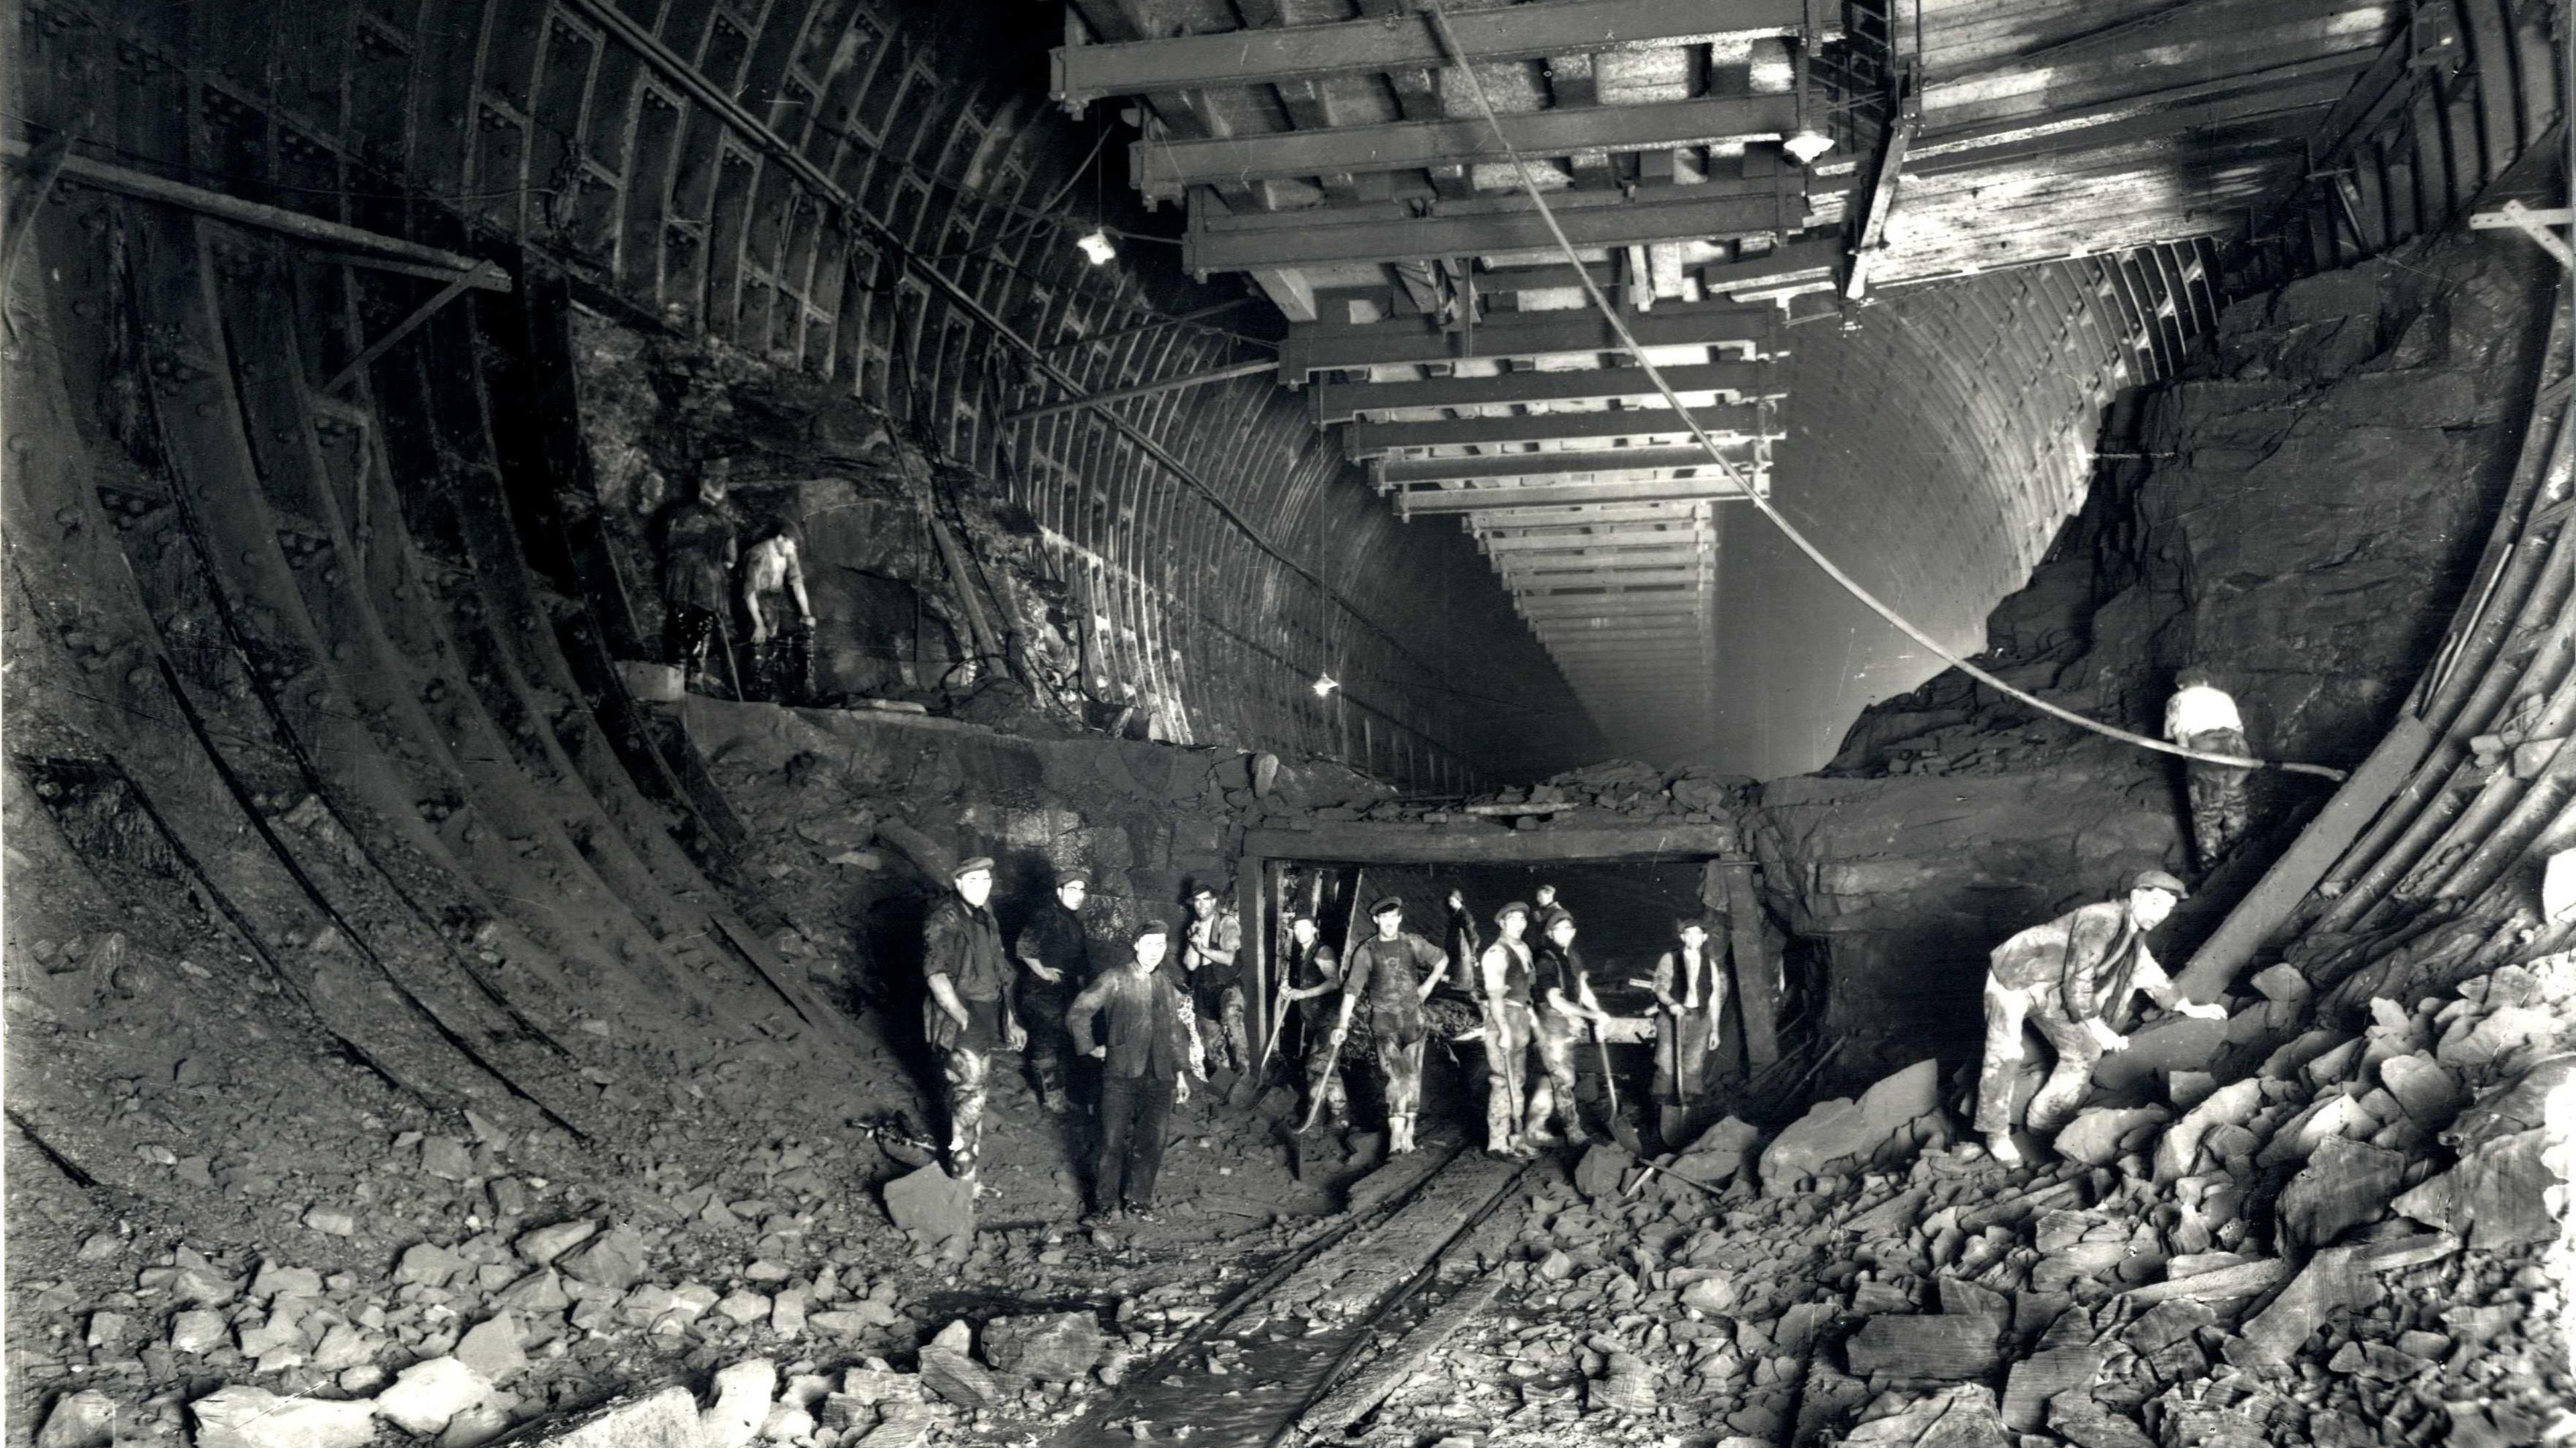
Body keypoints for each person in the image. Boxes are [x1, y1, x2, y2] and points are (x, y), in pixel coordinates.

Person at [1974, 869, 2227, 1165]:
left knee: (2084, 1050)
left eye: (2168, 909)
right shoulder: (2102, 919)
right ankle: (1996, 1135)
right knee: (2005, 1053)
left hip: (2052, 988)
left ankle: (2045, 1120)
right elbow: (2079, 979)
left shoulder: (2132, 933)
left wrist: (2185, 1005)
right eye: (2156, 903)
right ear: (2135, 896)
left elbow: (2146, 969)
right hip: (2014, 979)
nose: (2161, 914)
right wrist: (2099, 1028)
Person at [1066, 920, 1205, 1223]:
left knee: (1152, 1142)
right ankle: (1104, 1205)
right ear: (1136, 945)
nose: (1156, 951)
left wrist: (1180, 1074)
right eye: (1150, 944)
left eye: (1161, 945)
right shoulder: (1114, 979)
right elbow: (1079, 1012)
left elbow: (1174, 1034)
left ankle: (1138, 1202)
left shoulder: (1166, 985)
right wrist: (1090, 1047)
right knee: (1111, 1142)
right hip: (1121, 1075)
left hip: (1160, 1077)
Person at [921, 856, 1023, 1190]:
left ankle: (966, 1174)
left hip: (987, 1011)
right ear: (959, 884)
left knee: (976, 1092)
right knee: (969, 1094)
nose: (982, 887)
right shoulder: (945, 918)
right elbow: (936, 976)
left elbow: (1000, 974)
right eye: (974, 881)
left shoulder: (985, 918)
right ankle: (962, 1178)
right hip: (962, 1015)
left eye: (987, 880)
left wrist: (1010, 1019)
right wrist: (961, 1016)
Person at [1329, 896, 1450, 1155]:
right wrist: (1342, 1024)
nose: (1388, 922)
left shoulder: (1412, 943)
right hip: (1383, 1019)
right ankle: (1397, 1138)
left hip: (1412, 1017)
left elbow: (1442, 960)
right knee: (1396, 1075)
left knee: (1413, 1074)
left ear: (1399, 918)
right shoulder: (1367, 950)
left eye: (1392, 917)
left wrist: (1427, 986)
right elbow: (1352, 990)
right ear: (1376, 920)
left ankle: (1409, 1134)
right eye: (1383, 918)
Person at [1527, 908, 1613, 1148]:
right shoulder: (1545, 959)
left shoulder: (1571, 956)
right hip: (1551, 1024)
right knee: (1563, 1079)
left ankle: (1534, 1127)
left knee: (1553, 1077)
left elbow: (1582, 989)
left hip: (1567, 1024)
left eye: (1568, 929)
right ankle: (1573, 1131)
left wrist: (1597, 1014)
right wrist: (1590, 1015)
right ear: (1550, 933)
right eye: (1558, 929)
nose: (1564, 933)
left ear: (1573, 932)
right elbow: (1554, 1000)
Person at [1012, 871, 1094, 1114]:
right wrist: (1044, 972)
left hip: (1063, 992)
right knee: (1047, 1044)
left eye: (1082, 890)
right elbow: (1024, 948)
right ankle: (1052, 1098)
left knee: (1063, 1043)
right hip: (1039, 993)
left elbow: (1080, 962)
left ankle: (1058, 1093)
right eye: (1072, 889)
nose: (1078, 895)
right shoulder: (1046, 915)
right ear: (1059, 892)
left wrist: (1083, 993)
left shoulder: (1073, 921)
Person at [1649, 917, 1729, 1146]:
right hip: (1672, 1016)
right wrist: (1671, 1003)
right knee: (1666, 1064)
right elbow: (1659, 987)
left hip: (1700, 1018)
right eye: (1689, 934)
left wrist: (1715, 1029)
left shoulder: (1710, 964)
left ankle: (1687, 1121)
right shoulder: (1670, 958)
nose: (1693, 938)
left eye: (1698, 934)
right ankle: (1661, 1122)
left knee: (1693, 1065)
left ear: (1704, 938)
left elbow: (1714, 998)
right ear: (1683, 937)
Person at [2165, 667, 2253, 873]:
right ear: (2205, 682)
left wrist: (2189, 758)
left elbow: (2178, 735)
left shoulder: (2176, 699)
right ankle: (2238, 845)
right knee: (2235, 797)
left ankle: (2209, 859)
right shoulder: (2223, 696)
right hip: (2239, 746)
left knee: (2206, 807)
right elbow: (2239, 729)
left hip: (2207, 747)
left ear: (2181, 685)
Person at [661, 469, 740, 693]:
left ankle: (675, 672)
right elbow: (731, 560)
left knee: (678, 619)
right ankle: (695, 677)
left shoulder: (677, 513)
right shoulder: (726, 523)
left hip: (681, 574)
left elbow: (665, 544)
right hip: (710, 579)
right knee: (703, 625)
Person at [1475, 901, 1540, 1158]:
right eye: (1512, 919)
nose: (1518, 924)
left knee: (1518, 1080)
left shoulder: (1523, 948)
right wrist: (1503, 1030)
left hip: (1520, 1017)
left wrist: (1530, 1014)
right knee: (1503, 1081)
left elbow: (1526, 987)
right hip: (1502, 1019)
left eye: (1522, 920)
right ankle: (1497, 1143)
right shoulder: (1496, 953)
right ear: (1502, 923)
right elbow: (1494, 997)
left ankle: (1517, 1136)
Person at [1277, 912, 1352, 1127]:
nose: (1299, 931)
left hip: (1330, 1021)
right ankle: (1340, 1117)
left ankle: (1314, 1119)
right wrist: (1291, 990)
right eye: (1296, 928)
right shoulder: (1304, 954)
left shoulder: (1322, 951)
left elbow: (1334, 982)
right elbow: (1306, 985)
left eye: (1304, 927)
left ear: (1314, 929)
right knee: (1330, 1069)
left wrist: (1303, 994)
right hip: (1317, 1021)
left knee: (1316, 1067)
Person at [740, 520, 814, 704]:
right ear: (780, 538)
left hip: (774, 598)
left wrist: (806, 613)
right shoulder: (758, 553)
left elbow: (796, 582)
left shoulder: (789, 551)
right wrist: (758, 623)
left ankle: (771, 687)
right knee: (759, 642)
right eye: (790, 546)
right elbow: (748, 591)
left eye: (794, 548)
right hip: (754, 600)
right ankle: (753, 691)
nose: (791, 551)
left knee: (779, 641)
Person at [1181, 885, 1250, 1076]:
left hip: (1226, 986)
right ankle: (1223, 1083)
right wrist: (1193, 942)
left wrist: (1203, 949)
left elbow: (1229, 959)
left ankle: (1245, 1074)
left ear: (1213, 901)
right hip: (1203, 988)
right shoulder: (1193, 927)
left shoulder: (1226, 923)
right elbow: (1191, 965)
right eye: (1197, 900)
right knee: (1212, 1043)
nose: (1201, 905)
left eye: (1205, 899)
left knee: (1232, 1021)